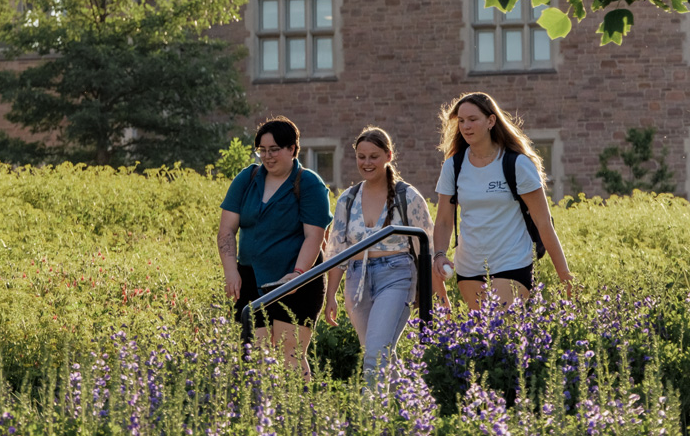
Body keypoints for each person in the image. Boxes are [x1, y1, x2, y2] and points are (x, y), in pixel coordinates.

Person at [323, 126, 449, 386]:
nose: (366, 163)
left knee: (375, 354)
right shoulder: (348, 199)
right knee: (379, 353)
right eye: (361, 156)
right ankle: (409, 409)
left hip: (396, 275)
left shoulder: (408, 196)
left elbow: (424, 248)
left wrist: (438, 292)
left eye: (374, 156)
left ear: (389, 156)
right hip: (356, 280)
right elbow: (336, 250)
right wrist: (330, 294)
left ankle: (372, 419)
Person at [432, 92, 573, 310]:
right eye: (461, 121)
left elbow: (543, 223)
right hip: (468, 267)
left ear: (491, 121)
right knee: (481, 339)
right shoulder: (453, 166)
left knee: (498, 331)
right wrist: (440, 254)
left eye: (473, 119)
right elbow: (442, 221)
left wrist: (566, 278)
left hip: (512, 262)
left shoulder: (516, 164)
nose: (466, 126)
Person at [217, 116, 333, 379]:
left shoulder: (308, 183)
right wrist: (230, 271)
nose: (267, 157)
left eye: (274, 150)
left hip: (296, 280)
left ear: (292, 149)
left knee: (289, 352)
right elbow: (226, 231)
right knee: (254, 353)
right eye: (262, 150)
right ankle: (261, 414)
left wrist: (298, 273)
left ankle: (302, 412)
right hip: (250, 277)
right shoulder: (247, 179)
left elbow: (314, 236)